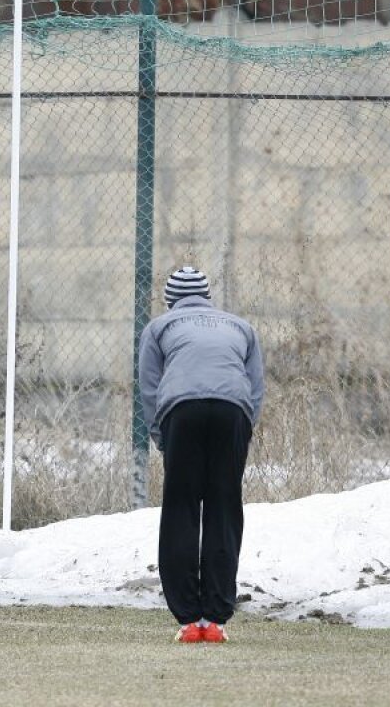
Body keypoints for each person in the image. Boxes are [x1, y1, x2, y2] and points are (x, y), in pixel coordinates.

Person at [137, 266, 264, 643]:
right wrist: (243, 428)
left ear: (169, 300)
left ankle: (189, 620)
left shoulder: (159, 327)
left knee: (181, 508)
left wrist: (162, 438)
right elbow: (255, 388)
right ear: (208, 297)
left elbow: (149, 388)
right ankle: (217, 618)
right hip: (232, 412)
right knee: (225, 506)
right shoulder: (241, 327)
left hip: (183, 411)